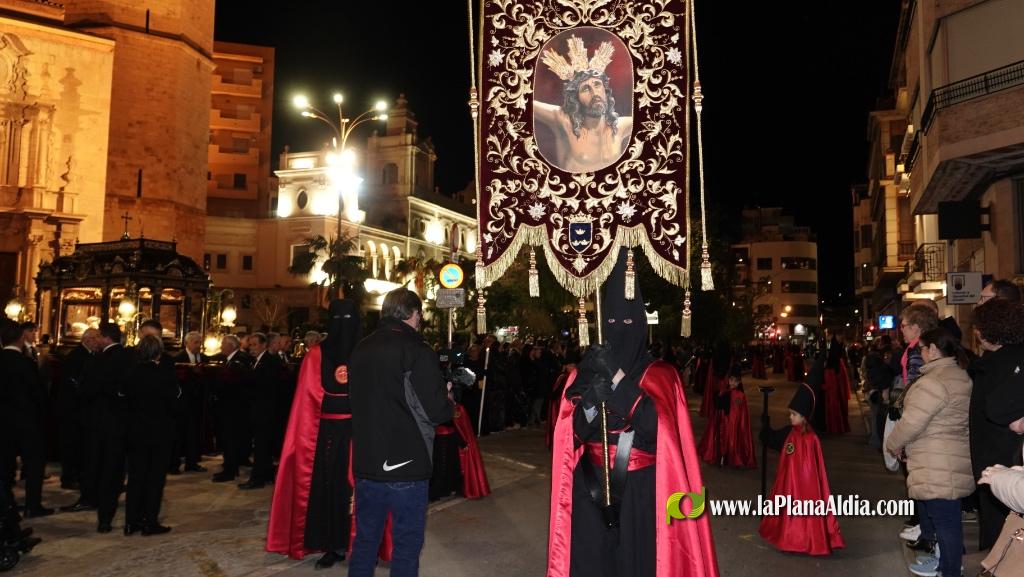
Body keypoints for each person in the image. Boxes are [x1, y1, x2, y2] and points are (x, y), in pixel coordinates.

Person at [548, 248, 718, 577]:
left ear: (640, 324)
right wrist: (587, 405)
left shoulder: (663, 375)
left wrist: (617, 378)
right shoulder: (583, 371)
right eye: (611, 321)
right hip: (590, 486)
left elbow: (658, 429)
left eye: (627, 321)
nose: (619, 329)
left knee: (638, 565)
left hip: (643, 489)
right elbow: (572, 436)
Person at [348, 288, 453, 577]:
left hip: (367, 463)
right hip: (407, 464)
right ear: (412, 313)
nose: (420, 320)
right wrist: (448, 398)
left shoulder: (361, 349)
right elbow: (437, 412)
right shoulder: (417, 350)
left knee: (365, 541)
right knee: (406, 546)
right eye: (420, 314)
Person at [268, 300, 361, 568]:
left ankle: (355, 542)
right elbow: (306, 402)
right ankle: (333, 543)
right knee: (330, 490)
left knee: (353, 490)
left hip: (353, 436)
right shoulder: (318, 355)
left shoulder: (364, 352)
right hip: (328, 438)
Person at [885, 328, 973, 577]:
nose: (920, 353)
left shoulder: (934, 382)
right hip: (949, 456)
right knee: (947, 520)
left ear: (934, 349)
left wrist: (893, 443)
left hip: (937, 460)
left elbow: (911, 422)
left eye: (922, 348)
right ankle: (945, 563)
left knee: (944, 522)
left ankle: (950, 569)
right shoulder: (958, 374)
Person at [758, 382, 844, 556]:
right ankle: (790, 539)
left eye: (794, 414)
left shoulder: (812, 440)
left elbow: (815, 470)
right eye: (790, 413)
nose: (790, 417)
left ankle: (810, 539)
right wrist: (765, 427)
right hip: (790, 487)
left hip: (807, 488)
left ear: (804, 417)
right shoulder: (789, 432)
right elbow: (772, 440)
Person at [969, 298, 1024, 551]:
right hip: (1010, 458)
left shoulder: (992, 365)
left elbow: (997, 410)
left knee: (1001, 534)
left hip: (1000, 463)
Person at [536, 35, 633, 173]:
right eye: (586, 89)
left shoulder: (621, 126)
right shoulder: (564, 121)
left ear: (605, 91)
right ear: (576, 98)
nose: (595, 93)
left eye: (597, 85)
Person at [123, 335, 180, 536]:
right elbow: (174, 404)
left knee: (136, 477)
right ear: (158, 352)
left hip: (136, 432)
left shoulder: (131, 374)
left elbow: (125, 402)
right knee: (155, 478)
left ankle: (131, 522)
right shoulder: (164, 375)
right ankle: (150, 522)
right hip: (159, 433)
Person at [82, 322, 134, 532]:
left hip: (99, 423)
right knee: (115, 470)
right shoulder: (131, 359)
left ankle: (102, 515)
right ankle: (111, 514)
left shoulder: (97, 360)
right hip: (124, 424)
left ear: (105, 338)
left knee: (98, 466)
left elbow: (85, 391)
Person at [0, 319, 51, 518]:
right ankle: (32, 505)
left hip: (4, 421)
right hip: (27, 420)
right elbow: (37, 393)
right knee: (34, 463)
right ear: (22, 338)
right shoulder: (25, 363)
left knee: (4, 464)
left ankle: (6, 503)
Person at [238, 332, 281, 490]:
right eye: (250, 344)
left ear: (264, 345)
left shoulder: (268, 361)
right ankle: (267, 475)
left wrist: (246, 378)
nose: (251, 348)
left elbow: (264, 386)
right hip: (260, 410)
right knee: (263, 446)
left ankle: (257, 479)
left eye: (255, 344)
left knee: (262, 447)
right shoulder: (257, 361)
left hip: (265, 411)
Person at [211, 334, 253, 483]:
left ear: (231, 346)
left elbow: (234, 386)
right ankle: (230, 467)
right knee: (231, 439)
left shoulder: (238, 361)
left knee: (231, 440)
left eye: (223, 344)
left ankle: (230, 470)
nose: (221, 346)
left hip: (233, 410)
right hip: (233, 409)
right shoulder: (234, 360)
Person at [698, 365, 755, 468]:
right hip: (724, 421)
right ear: (728, 380)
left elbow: (742, 413)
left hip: (735, 422)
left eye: (735, 381)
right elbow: (718, 406)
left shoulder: (740, 395)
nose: (732, 383)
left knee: (733, 439)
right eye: (731, 380)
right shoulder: (723, 392)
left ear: (739, 382)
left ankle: (733, 457)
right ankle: (723, 457)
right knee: (723, 438)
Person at [171, 331, 209, 474]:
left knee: (194, 434)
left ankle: (192, 463)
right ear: (187, 343)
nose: (198, 345)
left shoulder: (204, 358)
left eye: (199, 342)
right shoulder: (178, 358)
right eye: (195, 342)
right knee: (179, 434)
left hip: (198, 403)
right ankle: (174, 465)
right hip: (182, 403)